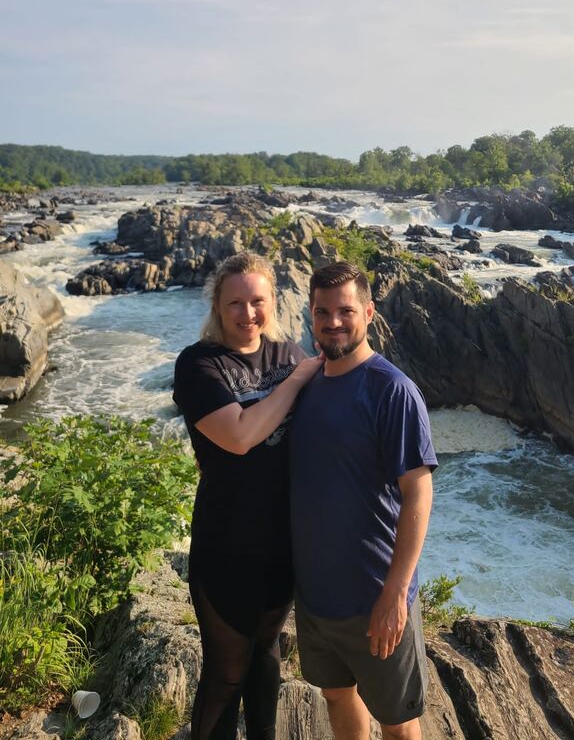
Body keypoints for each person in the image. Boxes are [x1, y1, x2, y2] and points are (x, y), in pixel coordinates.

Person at [173, 251, 322, 740]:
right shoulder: (199, 364)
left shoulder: (289, 355)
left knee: (267, 655)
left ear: (273, 301)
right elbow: (239, 435)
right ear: (217, 305)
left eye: (257, 301)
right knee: (226, 672)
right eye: (235, 303)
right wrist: (299, 380)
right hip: (226, 545)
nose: (247, 313)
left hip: (282, 545)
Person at [290, 260, 437, 740]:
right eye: (322, 312)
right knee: (336, 695)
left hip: (374, 596)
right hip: (317, 599)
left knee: (397, 722)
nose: (333, 322)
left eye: (345, 311)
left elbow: (418, 491)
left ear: (369, 313)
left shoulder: (392, 390)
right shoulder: (307, 385)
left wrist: (395, 592)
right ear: (310, 317)